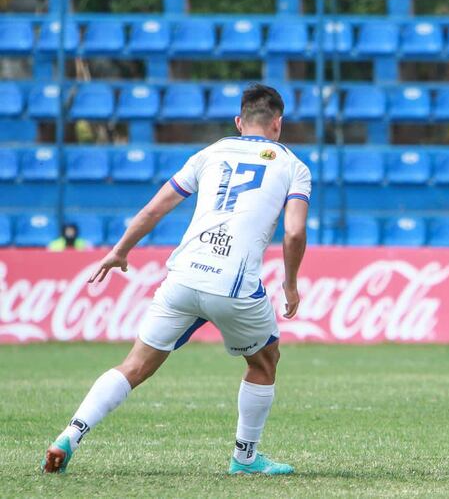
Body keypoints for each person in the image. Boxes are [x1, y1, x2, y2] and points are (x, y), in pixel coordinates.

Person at [41, 84, 311, 476]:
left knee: (134, 365)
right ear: (278, 124)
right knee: (264, 361)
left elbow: (155, 208)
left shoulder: (210, 152)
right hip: (232, 286)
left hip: (183, 275)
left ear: (239, 122)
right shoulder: (293, 165)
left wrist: (120, 250)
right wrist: (290, 283)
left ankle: (70, 434)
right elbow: (294, 234)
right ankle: (245, 458)